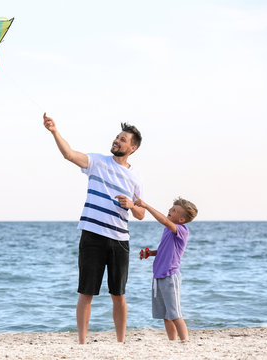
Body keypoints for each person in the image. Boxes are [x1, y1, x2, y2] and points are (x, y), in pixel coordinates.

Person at [43, 113, 145, 343]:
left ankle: (120, 342)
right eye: (117, 137)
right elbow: (69, 154)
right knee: (86, 292)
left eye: (122, 139)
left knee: (118, 294)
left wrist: (131, 205)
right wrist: (54, 131)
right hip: (92, 236)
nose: (116, 141)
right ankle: (81, 343)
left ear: (133, 148)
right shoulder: (98, 162)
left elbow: (140, 214)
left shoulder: (135, 178)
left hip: (119, 240)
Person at [134, 195, 198, 342]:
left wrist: (146, 206)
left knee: (175, 314)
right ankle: (172, 341)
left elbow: (163, 220)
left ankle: (185, 342)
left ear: (182, 219)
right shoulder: (168, 231)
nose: (170, 210)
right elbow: (165, 249)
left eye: (174, 210)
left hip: (170, 276)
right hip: (159, 275)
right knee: (166, 315)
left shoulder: (182, 230)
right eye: (171, 208)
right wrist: (151, 253)